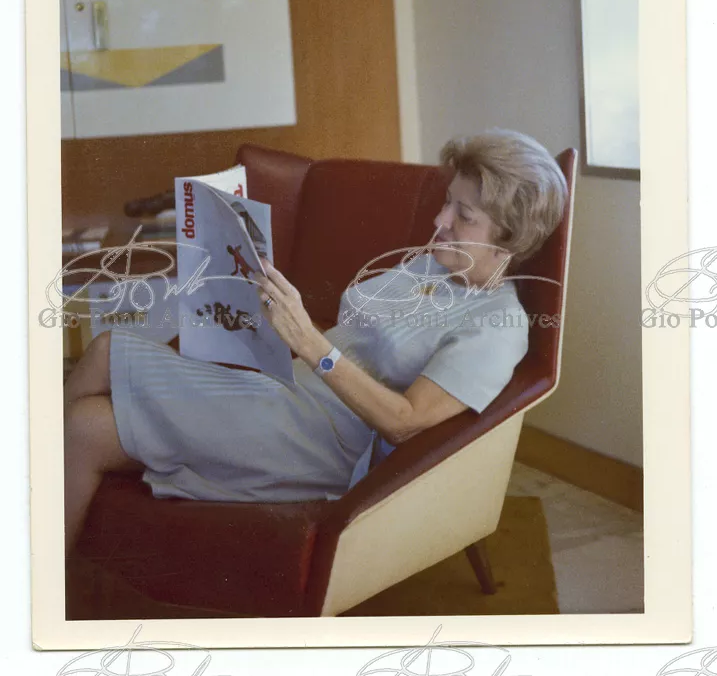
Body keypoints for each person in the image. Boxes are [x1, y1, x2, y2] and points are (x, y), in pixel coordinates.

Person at [63, 128, 568, 554]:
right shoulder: (431, 264)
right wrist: (260, 320)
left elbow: (404, 422)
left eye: (464, 215)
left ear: (510, 236)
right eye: (446, 202)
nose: (440, 221)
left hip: (321, 444)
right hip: (284, 391)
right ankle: (41, 558)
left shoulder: (495, 327)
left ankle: (38, 584)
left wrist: (308, 343)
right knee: (102, 365)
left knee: (90, 415)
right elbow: (353, 340)